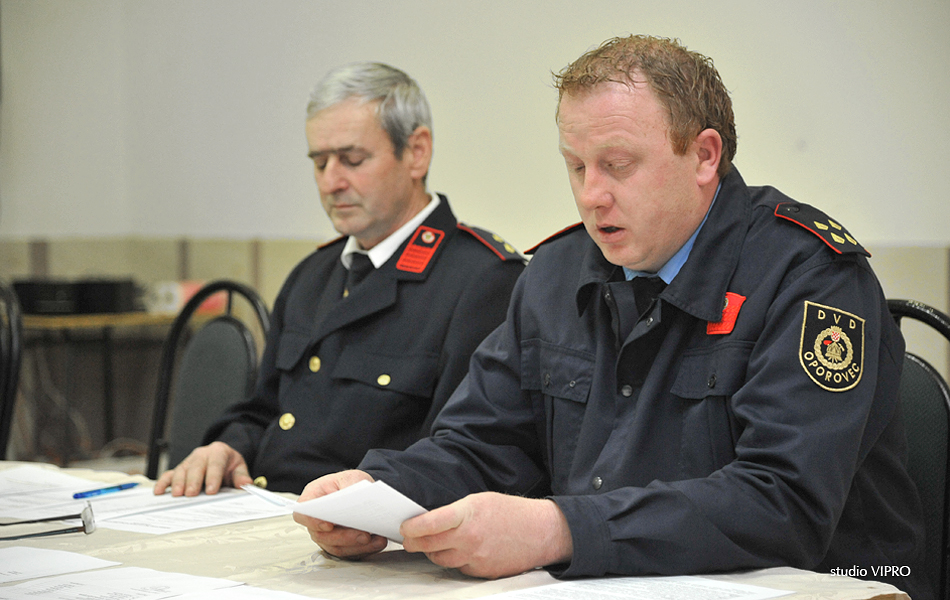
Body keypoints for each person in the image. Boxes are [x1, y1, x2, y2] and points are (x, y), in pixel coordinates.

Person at [293, 37, 928, 599]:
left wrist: (560, 529)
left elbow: (784, 503)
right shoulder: (556, 273)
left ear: (705, 156)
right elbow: (483, 443)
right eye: (575, 166)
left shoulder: (810, 277)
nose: (591, 194)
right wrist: (379, 493)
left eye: (618, 166)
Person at [153, 62, 525, 496]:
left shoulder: (482, 280)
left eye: (352, 159)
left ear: (416, 152)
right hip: (266, 508)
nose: (331, 182)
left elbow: (463, 455)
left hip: (370, 523)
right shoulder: (312, 276)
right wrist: (228, 447)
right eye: (319, 162)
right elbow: (265, 410)